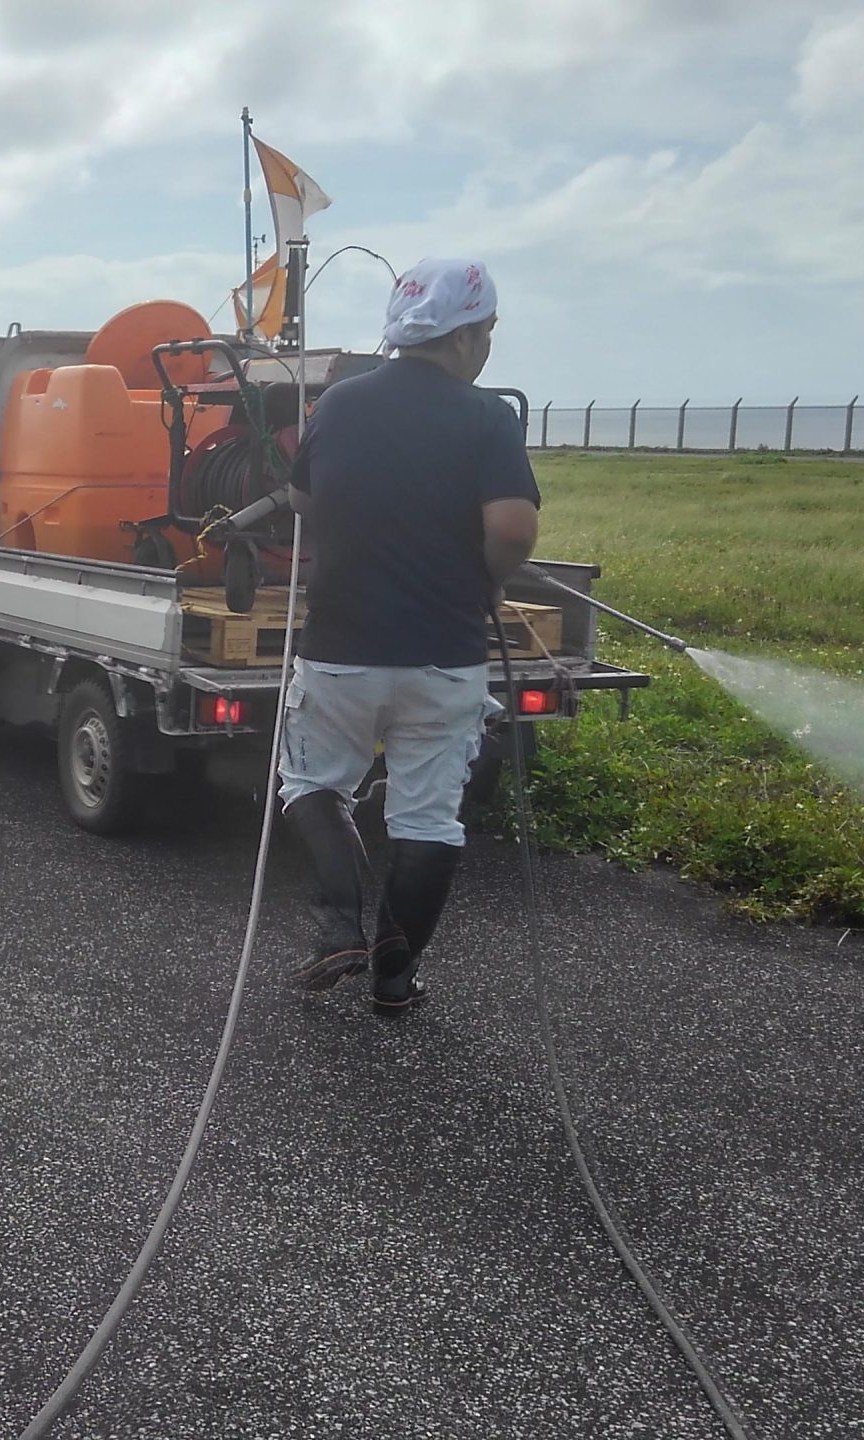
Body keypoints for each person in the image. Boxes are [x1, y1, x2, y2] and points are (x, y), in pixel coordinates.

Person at [278, 257, 540, 1010]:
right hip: (444, 657)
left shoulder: (340, 403)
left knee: (311, 785)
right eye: (487, 331)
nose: (486, 345)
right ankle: (395, 979)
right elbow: (512, 529)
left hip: (341, 651)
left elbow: (299, 498)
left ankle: (340, 928)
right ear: (462, 337)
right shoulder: (487, 416)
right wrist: (488, 576)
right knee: (426, 817)